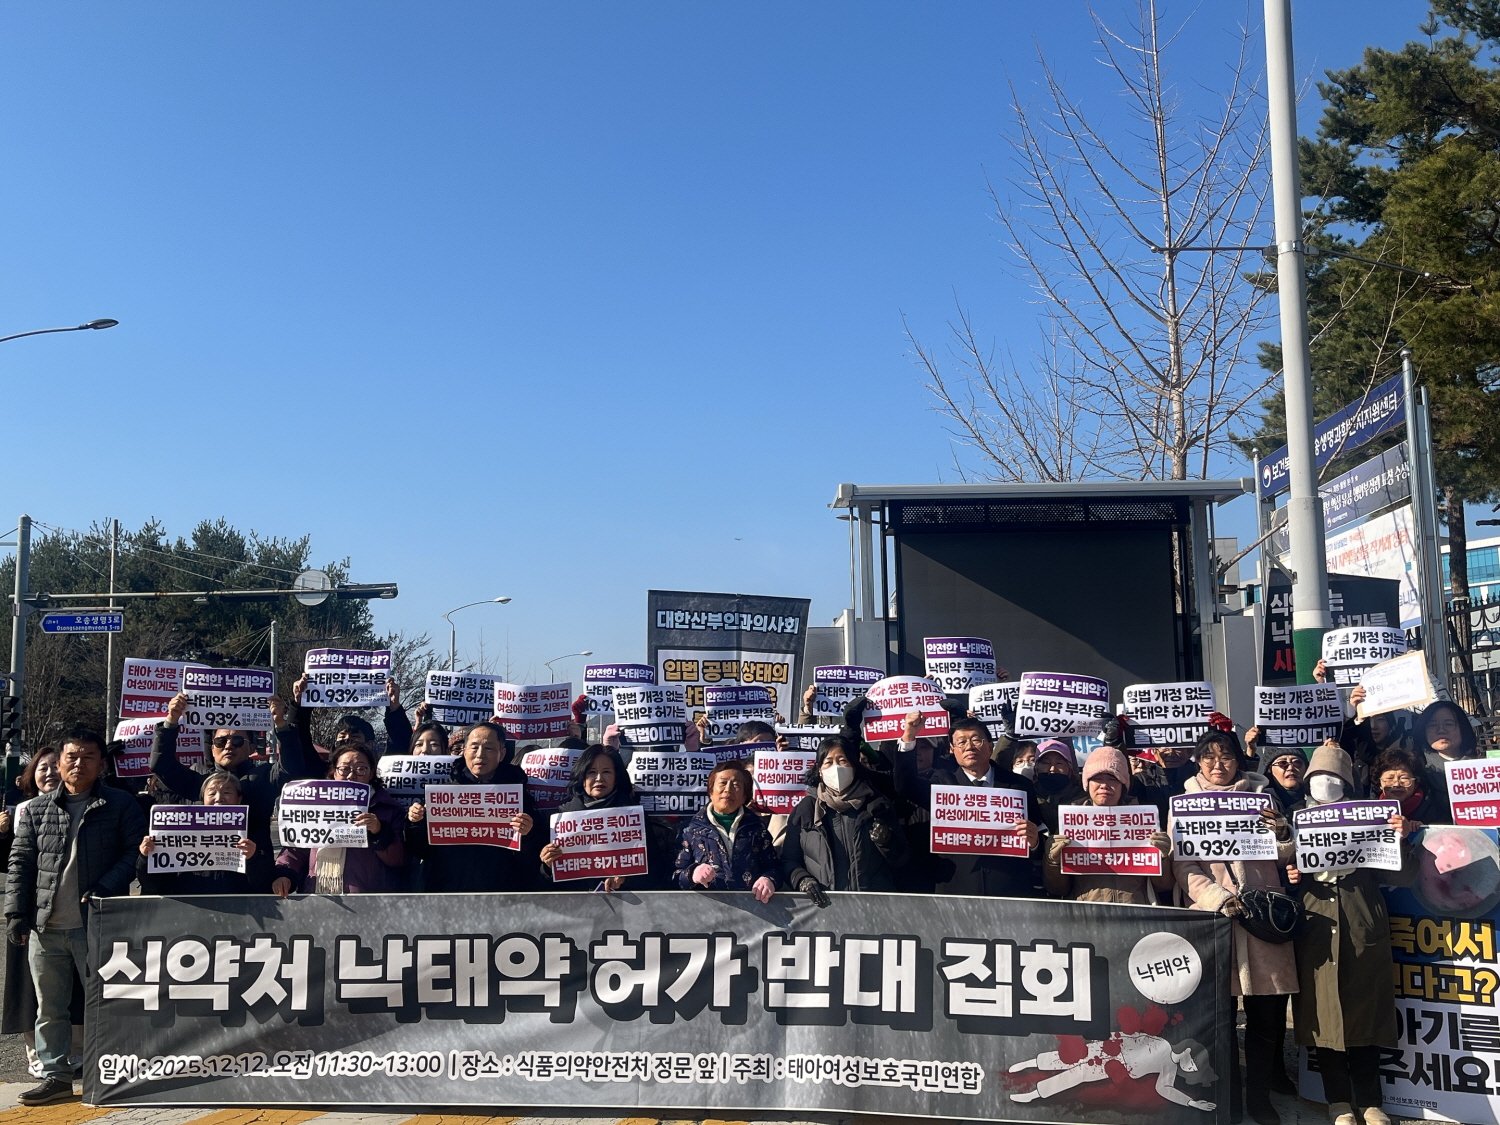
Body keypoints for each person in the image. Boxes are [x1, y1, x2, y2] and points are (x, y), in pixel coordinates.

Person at [4, 728, 147, 1107]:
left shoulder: (120, 804)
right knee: (49, 1009)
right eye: (71, 756)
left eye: (87, 757)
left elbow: (134, 852)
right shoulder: (36, 809)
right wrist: (15, 912)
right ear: (60, 761)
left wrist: (105, 886)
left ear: (101, 764)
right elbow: (20, 862)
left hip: (98, 922)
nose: (78, 763)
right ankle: (55, 1077)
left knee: (108, 1004)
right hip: (45, 926)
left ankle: (112, 1074)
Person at [1288, 741, 1421, 1125]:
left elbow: (1404, 877)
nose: (1324, 783)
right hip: (1315, 925)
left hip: (1361, 922)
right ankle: (1338, 1101)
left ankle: (1370, 1100)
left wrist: (1399, 840)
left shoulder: (1372, 818)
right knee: (1323, 1015)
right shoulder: (1294, 819)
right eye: (1318, 776)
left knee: (1366, 1013)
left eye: (1333, 777)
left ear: (1347, 783)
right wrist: (1290, 873)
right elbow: (1278, 868)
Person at [1170, 728, 1298, 1125]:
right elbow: (1183, 864)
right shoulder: (1185, 803)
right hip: (1213, 919)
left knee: (1266, 1017)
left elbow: (1284, 857)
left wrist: (1283, 834)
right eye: (1208, 757)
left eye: (1225, 756)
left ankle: (1259, 1097)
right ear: (1198, 762)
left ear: (1238, 760)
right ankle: (1227, 1096)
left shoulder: (1262, 797)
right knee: (1219, 1018)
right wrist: (1215, 896)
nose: (1217, 764)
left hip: (1262, 917)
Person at [150, 691, 320, 892]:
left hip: (250, 884)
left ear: (251, 747)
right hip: (197, 887)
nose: (229, 746)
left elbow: (292, 768)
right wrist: (171, 721)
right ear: (212, 748)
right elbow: (161, 766)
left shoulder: (263, 778)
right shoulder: (196, 778)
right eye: (221, 742)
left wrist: (281, 724)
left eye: (237, 741)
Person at [888, 714, 1040, 898]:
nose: (969, 746)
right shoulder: (941, 783)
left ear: (990, 746)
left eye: (976, 740)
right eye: (961, 742)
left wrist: (1035, 843)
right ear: (952, 750)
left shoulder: (1019, 786)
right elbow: (905, 787)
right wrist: (909, 735)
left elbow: (1038, 834)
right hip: (956, 892)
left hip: (1011, 892)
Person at [0, 750, 81, 1083]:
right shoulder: (22, 811)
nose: (49, 773)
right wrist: (2, 834)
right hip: (33, 917)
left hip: (74, 917)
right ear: (31, 775)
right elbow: (13, 865)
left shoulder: (83, 806)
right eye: (42, 768)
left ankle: (73, 1053)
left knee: (72, 993)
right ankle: (39, 1057)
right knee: (34, 994)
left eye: (53, 767)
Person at [406, 721, 536, 891]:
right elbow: (420, 850)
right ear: (465, 750)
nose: (480, 755)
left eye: (488, 748)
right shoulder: (442, 795)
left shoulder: (519, 798)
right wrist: (416, 822)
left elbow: (531, 860)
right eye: (474, 747)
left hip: (500, 895)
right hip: (448, 893)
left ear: (502, 754)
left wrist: (527, 836)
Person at [781, 735, 910, 900]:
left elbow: (902, 859)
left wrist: (887, 843)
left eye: (842, 761)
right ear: (819, 770)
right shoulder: (805, 811)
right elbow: (789, 860)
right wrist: (802, 880)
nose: (836, 768)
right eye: (828, 762)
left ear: (853, 766)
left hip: (873, 906)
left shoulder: (877, 806)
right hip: (824, 907)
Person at [1044, 746, 1173, 904]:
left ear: (1123, 784)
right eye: (1097, 778)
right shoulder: (1070, 824)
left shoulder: (1145, 823)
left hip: (1136, 912)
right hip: (1087, 914)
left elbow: (1164, 886)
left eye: (1112, 778)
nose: (1104, 785)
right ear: (1087, 783)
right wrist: (1053, 862)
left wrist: (1163, 859)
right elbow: (1057, 889)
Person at [272, 745, 406, 895]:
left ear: (371, 773)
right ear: (334, 772)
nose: (351, 775)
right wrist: (285, 874)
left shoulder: (389, 810)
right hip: (320, 897)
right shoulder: (313, 805)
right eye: (344, 769)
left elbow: (399, 860)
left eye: (360, 769)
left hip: (370, 900)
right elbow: (296, 848)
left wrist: (379, 832)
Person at [539, 745, 673, 890]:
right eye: (592, 772)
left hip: (624, 902)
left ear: (616, 777)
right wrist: (548, 867)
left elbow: (656, 871)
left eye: (606, 772)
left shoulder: (635, 817)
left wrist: (627, 879)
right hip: (573, 903)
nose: (599, 778)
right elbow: (537, 884)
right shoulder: (559, 819)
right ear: (581, 777)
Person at [673, 761, 778, 900]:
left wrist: (769, 879)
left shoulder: (757, 828)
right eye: (722, 783)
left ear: (745, 796)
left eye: (736, 785)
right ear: (711, 791)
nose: (728, 789)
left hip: (752, 906)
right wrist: (691, 874)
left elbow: (775, 867)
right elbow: (674, 876)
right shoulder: (690, 829)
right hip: (704, 907)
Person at [138, 773, 257, 894]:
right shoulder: (176, 828)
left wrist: (252, 859)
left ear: (239, 799)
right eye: (212, 793)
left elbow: (261, 883)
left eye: (226, 793)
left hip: (237, 903)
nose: (219, 798)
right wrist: (146, 858)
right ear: (203, 799)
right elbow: (153, 885)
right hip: (187, 903)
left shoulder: (253, 830)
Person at [290, 674, 414, 758]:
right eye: (342, 736)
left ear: (369, 744)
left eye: (355, 737)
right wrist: (300, 705)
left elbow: (401, 743)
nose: (347, 741)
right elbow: (298, 743)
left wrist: (394, 707)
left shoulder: (382, 774)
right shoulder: (321, 772)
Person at [1371, 746, 1450, 826]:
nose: (1396, 784)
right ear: (1380, 783)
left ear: (1416, 783)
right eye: (1389, 778)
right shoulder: (1368, 811)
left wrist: (1423, 830)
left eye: (1404, 778)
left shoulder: (1436, 812)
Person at [1406, 699, 1479, 777]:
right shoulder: (1412, 770)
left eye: (1448, 724)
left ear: (1463, 728)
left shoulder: (1481, 767)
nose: (1441, 730)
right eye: (1433, 725)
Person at [1030, 740, 1084, 835]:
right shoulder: (1028, 796)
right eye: (1046, 763)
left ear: (1069, 769)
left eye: (1059, 763)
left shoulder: (1084, 797)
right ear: (1036, 769)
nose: (1053, 769)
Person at [1260, 745, 1308, 816]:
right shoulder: (1260, 800)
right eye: (1282, 763)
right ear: (1270, 770)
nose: (1291, 768)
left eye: (1297, 763)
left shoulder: (1318, 800)